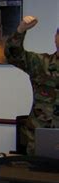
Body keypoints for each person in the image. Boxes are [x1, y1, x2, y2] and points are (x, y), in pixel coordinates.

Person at [5, 15, 58, 154]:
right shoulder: (41, 63)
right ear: (55, 38)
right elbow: (13, 55)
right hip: (41, 139)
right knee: (37, 175)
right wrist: (21, 30)